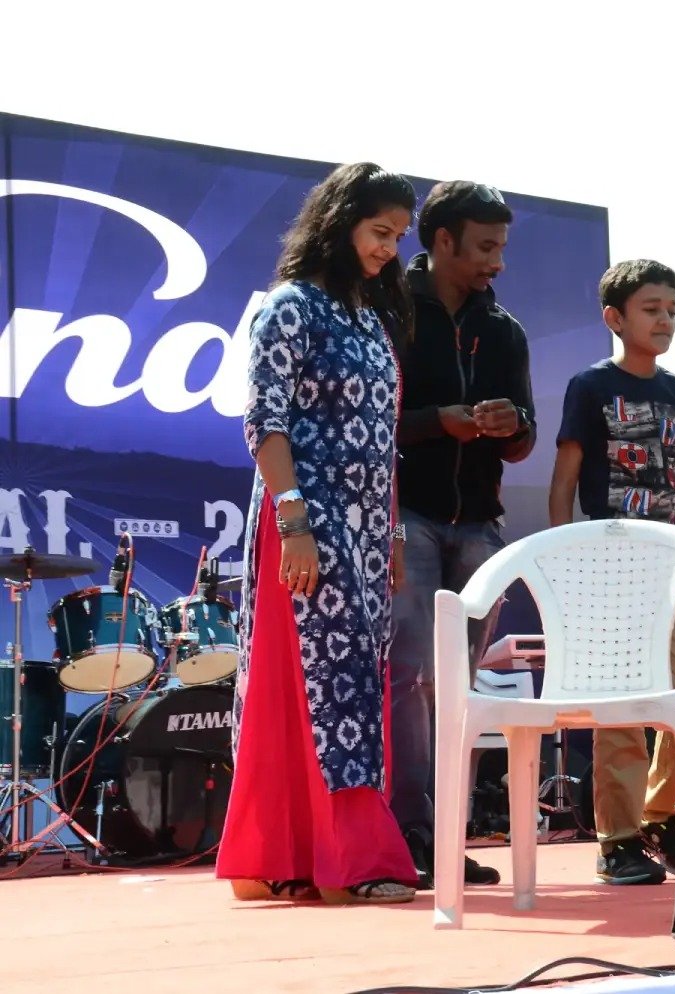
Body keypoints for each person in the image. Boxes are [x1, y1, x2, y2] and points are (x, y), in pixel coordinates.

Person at [217, 162, 420, 905]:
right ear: (339, 225)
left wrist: (391, 535)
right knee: (311, 686)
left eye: (398, 236)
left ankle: (298, 856)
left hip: (368, 532)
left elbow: (381, 436)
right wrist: (295, 522)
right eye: (378, 232)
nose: (388, 249)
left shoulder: (370, 319)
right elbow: (264, 423)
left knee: (353, 687)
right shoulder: (290, 306)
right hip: (307, 519)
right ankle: (347, 859)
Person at [389, 181, 536, 889]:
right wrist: (436, 421)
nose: (497, 262)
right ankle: (407, 838)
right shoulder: (388, 311)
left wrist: (512, 424)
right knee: (410, 677)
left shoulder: (504, 330)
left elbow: (523, 440)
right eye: (484, 246)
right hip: (405, 518)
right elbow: (360, 418)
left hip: (479, 525)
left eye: (502, 247)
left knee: (460, 686)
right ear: (440, 241)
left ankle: (447, 838)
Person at [548, 259, 675, 885]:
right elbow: (565, 480)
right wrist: (564, 563)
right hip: (609, 562)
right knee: (622, 699)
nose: (664, 319)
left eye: (671, 308)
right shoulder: (589, 387)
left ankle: (662, 814)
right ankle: (616, 839)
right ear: (615, 319)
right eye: (650, 308)